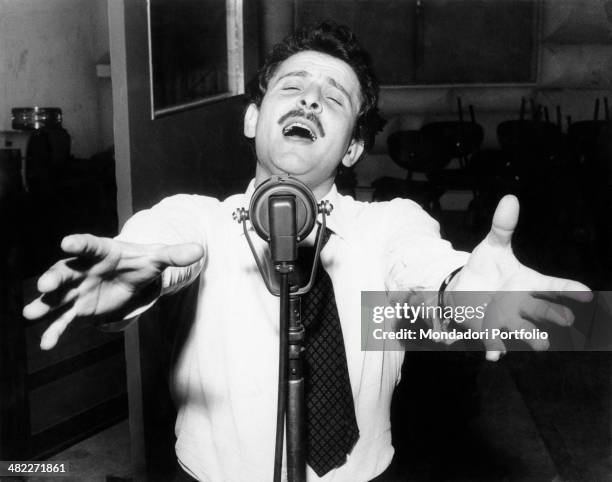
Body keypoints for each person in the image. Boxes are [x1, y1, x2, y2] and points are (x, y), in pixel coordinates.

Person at [23, 22, 591, 482]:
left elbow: (420, 286)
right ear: (253, 117)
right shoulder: (201, 220)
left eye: (334, 98)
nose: (311, 100)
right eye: (292, 87)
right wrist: (135, 272)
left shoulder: (387, 226)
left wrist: (463, 300)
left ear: (354, 148)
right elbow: (162, 243)